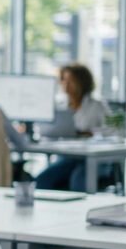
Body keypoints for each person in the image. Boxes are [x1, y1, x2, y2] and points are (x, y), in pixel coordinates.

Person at [34, 63, 111, 191]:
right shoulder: (59, 105)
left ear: (83, 82)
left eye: (71, 81)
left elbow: (118, 129)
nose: (66, 85)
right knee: (43, 180)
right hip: (68, 158)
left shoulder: (99, 105)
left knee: (78, 179)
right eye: (64, 80)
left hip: (93, 160)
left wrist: (92, 132)